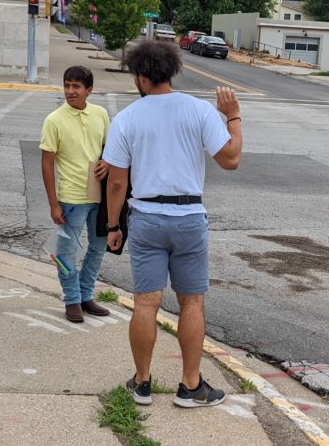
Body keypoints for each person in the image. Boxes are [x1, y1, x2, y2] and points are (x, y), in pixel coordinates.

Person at [102, 40, 243, 408]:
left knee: (145, 304)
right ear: (171, 71)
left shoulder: (127, 118)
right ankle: (190, 385)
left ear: (141, 75)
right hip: (189, 218)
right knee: (192, 302)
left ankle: (143, 382)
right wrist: (233, 116)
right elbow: (230, 159)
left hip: (146, 217)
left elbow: (117, 182)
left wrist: (113, 225)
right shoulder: (199, 111)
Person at [40, 66, 112, 323]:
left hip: (100, 196)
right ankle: (71, 299)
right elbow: (47, 163)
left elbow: (109, 148)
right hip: (70, 198)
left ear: (89, 90)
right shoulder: (54, 120)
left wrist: (107, 162)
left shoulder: (101, 114)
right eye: (67, 85)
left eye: (76, 87)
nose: (70, 91)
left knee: (98, 247)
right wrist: (53, 204)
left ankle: (85, 295)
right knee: (63, 254)